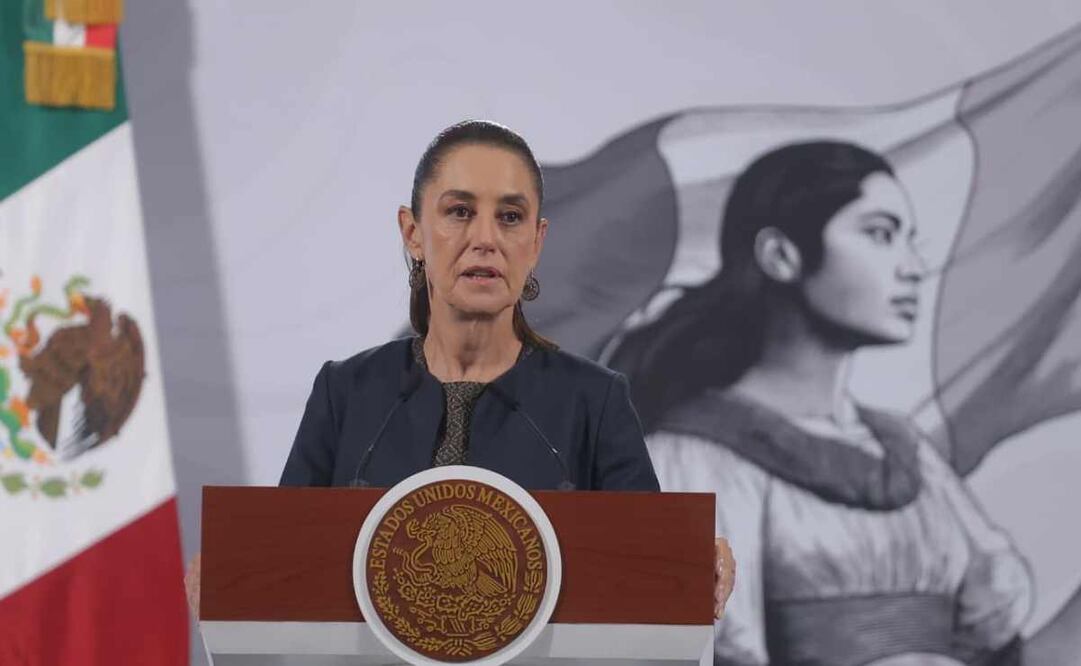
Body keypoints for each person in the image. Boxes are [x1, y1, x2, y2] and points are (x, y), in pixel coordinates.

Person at [275, 120, 734, 618]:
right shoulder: (345, 393)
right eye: (459, 212)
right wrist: (224, 578)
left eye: (511, 217)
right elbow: (277, 566)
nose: (485, 239)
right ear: (413, 233)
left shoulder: (595, 401)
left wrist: (697, 564)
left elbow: (650, 574)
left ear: (536, 242)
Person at [609, 141, 1032, 665]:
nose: (912, 266)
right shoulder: (686, 460)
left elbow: (994, 637)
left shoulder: (908, 452)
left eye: (909, 239)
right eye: (880, 234)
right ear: (781, 256)